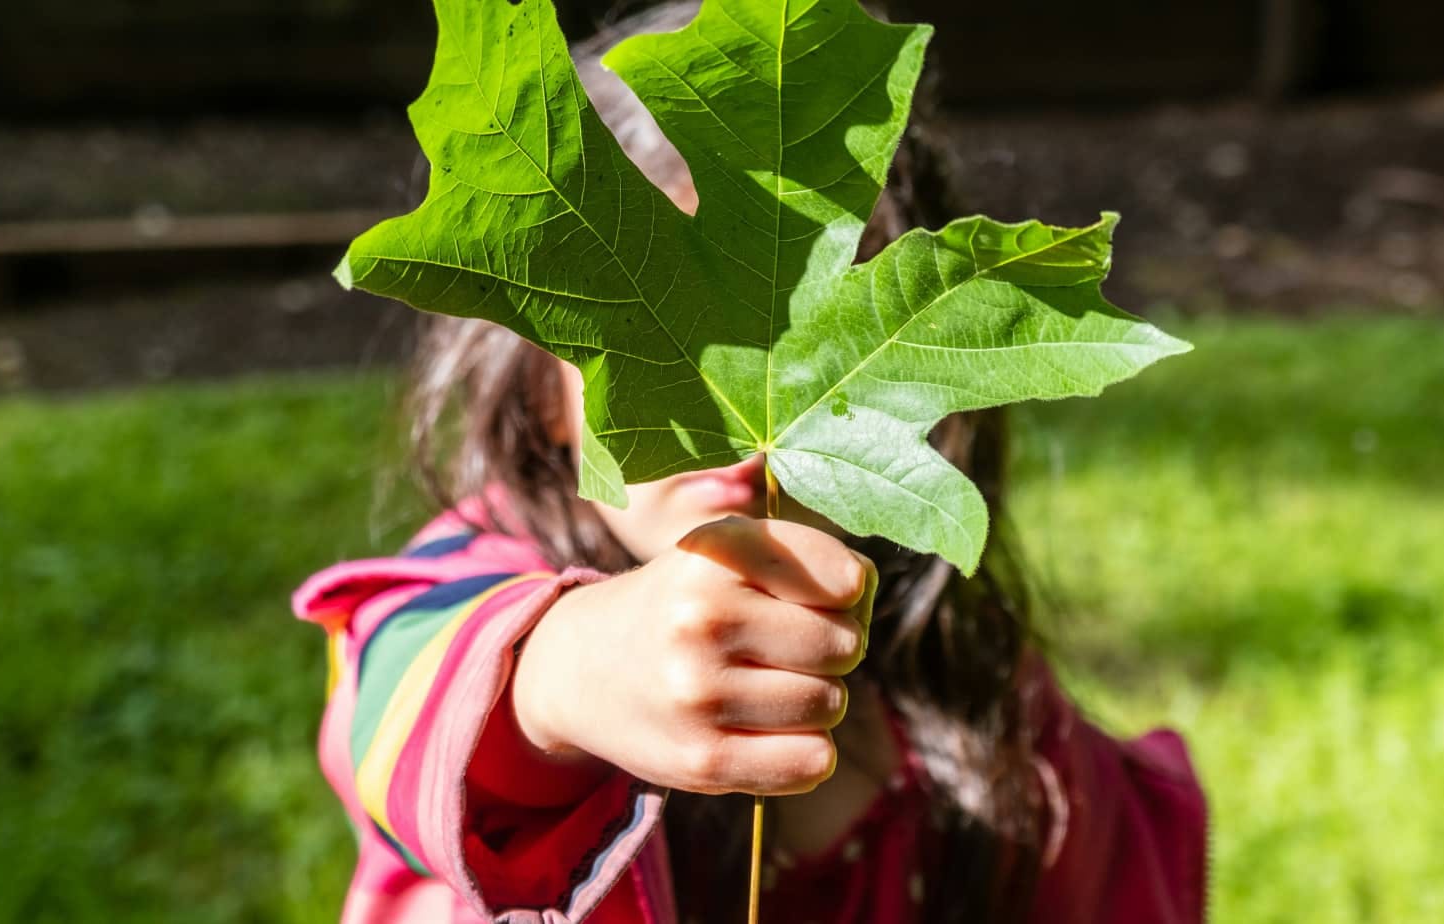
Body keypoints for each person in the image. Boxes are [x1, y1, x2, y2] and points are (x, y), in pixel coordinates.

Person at [293, 4, 1206, 922]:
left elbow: (1109, 871)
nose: (737, 404)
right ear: (540, 392)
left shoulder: (971, 691)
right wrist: (570, 673)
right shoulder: (467, 587)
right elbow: (402, 701)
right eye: (660, 345)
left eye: (812, 333)